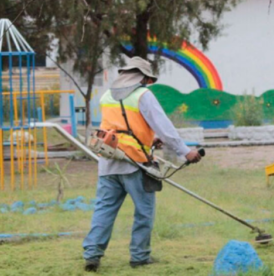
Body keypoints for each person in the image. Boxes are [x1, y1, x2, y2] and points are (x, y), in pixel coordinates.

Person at [83, 56, 202, 272]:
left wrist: (149, 139)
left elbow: (118, 126)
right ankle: (139, 256)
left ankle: (92, 254)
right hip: (134, 164)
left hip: (108, 161)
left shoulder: (107, 95)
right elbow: (164, 127)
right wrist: (186, 152)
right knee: (144, 211)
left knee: (104, 210)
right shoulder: (143, 95)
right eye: (148, 80)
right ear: (143, 78)